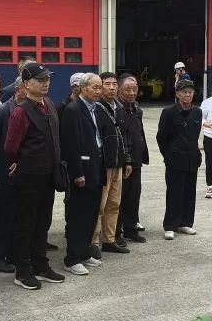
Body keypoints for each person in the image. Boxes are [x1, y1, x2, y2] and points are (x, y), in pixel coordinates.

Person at [4, 63, 65, 290]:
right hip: (29, 176)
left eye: (47, 79)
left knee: (43, 222)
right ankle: (23, 270)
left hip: (49, 173)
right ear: (27, 84)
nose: (46, 83)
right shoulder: (21, 111)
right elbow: (11, 146)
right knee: (26, 224)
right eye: (40, 79)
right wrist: (21, 161)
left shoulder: (49, 105)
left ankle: (41, 265)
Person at [61, 73, 106, 276]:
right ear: (83, 88)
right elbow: (71, 145)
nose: (98, 91)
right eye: (95, 87)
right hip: (82, 171)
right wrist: (77, 172)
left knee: (91, 214)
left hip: (96, 167)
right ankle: (72, 258)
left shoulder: (95, 108)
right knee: (78, 216)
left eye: (100, 87)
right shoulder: (73, 110)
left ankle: (85, 251)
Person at [0, 77, 25, 273]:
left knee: (18, 217)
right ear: (19, 90)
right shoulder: (2, 112)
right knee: (5, 218)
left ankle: (13, 254)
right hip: (4, 174)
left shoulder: (27, 110)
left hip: (22, 174)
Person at [92, 72, 132, 256]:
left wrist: (127, 160)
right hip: (103, 165)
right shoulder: (96, 108)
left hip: (118, 164)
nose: (111, 87)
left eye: (114, 84)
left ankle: (109, 240)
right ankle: (94, 242)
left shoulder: (120, 108)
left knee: (114, 203)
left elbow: (124, 137)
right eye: (107, 84)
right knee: (99, 206)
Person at [157, 79, 202, 241]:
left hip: (192, 159)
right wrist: (168, 156)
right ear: (177, 94)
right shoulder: (168, 112)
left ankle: (185, 223)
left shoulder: (198, 112)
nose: (187, 95)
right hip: (175, 160)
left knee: (189, 192)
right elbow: (161, 137)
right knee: (174, 193)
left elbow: (195, 135)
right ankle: (170, 226)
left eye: (190, 92)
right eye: (184, 92)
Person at [116, 74, 149, 244]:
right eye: (127, 89)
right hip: (123, 161)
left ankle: (131, 229)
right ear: (119, 90)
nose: (132, 92)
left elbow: (139, 134)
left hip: (136, 160)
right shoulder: (116, 109)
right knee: (119, 198)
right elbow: (122, 137)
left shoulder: (137, 108)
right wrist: (127, 160)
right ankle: (116, 232)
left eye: (134, 89)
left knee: (134, 196)